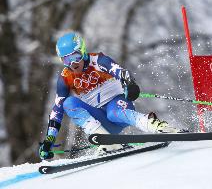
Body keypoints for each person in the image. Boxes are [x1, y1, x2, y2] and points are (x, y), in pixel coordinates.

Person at [39, 32, 181, 160]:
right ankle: (106, 140)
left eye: (75, 57)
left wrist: (130, 84)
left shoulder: (99, 61)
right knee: (68, 103)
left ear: (82, 51)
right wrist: (49, 139)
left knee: (113, 113)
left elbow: (120, 72)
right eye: (66, 60)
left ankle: (156, 126)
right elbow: (57, 111)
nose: (73, 64)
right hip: (102, 121)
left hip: (118, 106)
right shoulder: (65, 78)